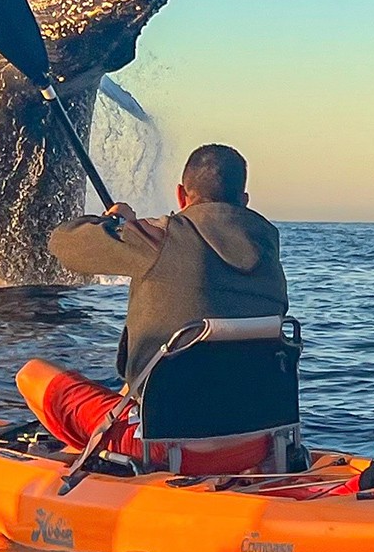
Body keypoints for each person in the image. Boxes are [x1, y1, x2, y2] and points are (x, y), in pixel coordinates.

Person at [16, 144, 289, 473]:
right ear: (244, 201)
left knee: (32, 374)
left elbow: (63, 243)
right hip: (257, 445)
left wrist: (116, 224)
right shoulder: (270, 255)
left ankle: (99, 466)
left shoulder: (159, 239)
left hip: (163, 448)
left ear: (180, 195)